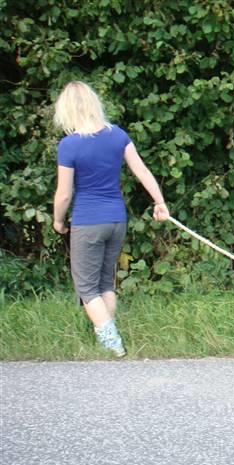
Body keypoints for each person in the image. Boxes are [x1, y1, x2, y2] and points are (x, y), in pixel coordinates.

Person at [52, 81, 169, 357]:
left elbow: (64, 195)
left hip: (88, 222)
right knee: (105, 283)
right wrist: (159, 201)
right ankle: (107, 343)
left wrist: (58, 222)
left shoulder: (69, 145)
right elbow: (141, 170)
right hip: (117, 220)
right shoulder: (117, 135)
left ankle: (112, 344)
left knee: (86, 287)